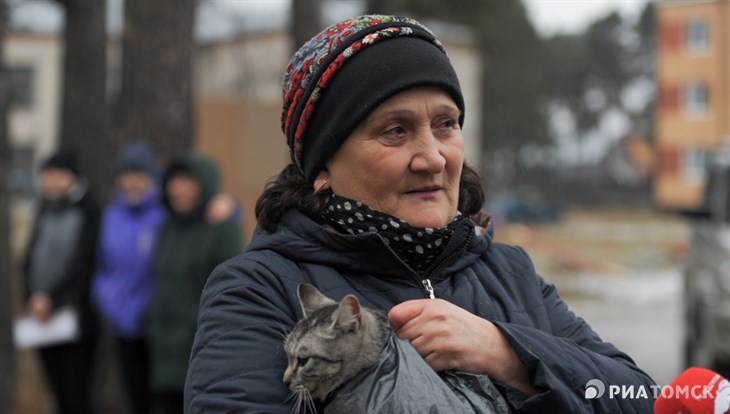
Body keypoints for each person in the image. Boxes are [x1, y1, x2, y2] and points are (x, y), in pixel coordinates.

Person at [184, 15, 656, 413]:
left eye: (445, 124)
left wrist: (509, 353)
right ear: (323, 167)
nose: (433, 157)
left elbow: (640, 396)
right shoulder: (257, 289)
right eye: (395, 130)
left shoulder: (510, 273)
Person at [147, 153, 243, 414]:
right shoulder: (167, 228)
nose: (178, 189)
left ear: (204, 184)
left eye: (187, 181)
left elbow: (232, 291)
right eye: (173, 181)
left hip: (198, 352)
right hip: (162, 349)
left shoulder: (220, 228)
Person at [23, 150, 100, 414]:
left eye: (59, 175)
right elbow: (30, 257)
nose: (52, 182)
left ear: (73, 177)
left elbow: (84, 263)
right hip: (43, 316)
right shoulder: (44, 208)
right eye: (47, 175)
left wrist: (53, 299)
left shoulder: (89, 210)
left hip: (77, 317)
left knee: (77, 393)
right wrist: (33, 295)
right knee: (58, 393)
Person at [91, 141, 165, 414]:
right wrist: (104, 295)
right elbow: (101, 263)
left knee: (160, 397)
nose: (132, 182)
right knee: (134, 396)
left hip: (155, 324)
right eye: (126, 174)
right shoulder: (111, 216)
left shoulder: (163, 215)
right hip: (120, 320)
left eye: (139, 175)